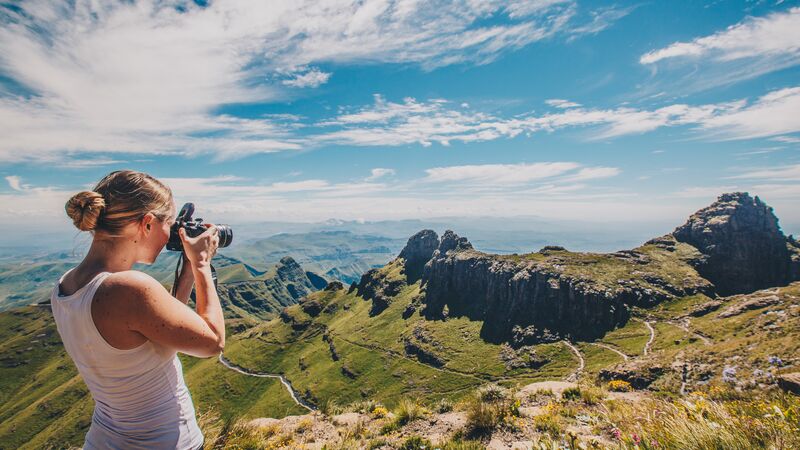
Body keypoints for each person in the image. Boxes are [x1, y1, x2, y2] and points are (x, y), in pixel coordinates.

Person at [50, 170, 225, 450]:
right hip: (162, 443)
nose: (170, 234)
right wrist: (202, 264)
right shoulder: (128, 288)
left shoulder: (65, 286)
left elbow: (161, 331)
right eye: (167, 224)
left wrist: (189, 268)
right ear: (146, 224)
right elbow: (213, 342)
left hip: (102, 441)